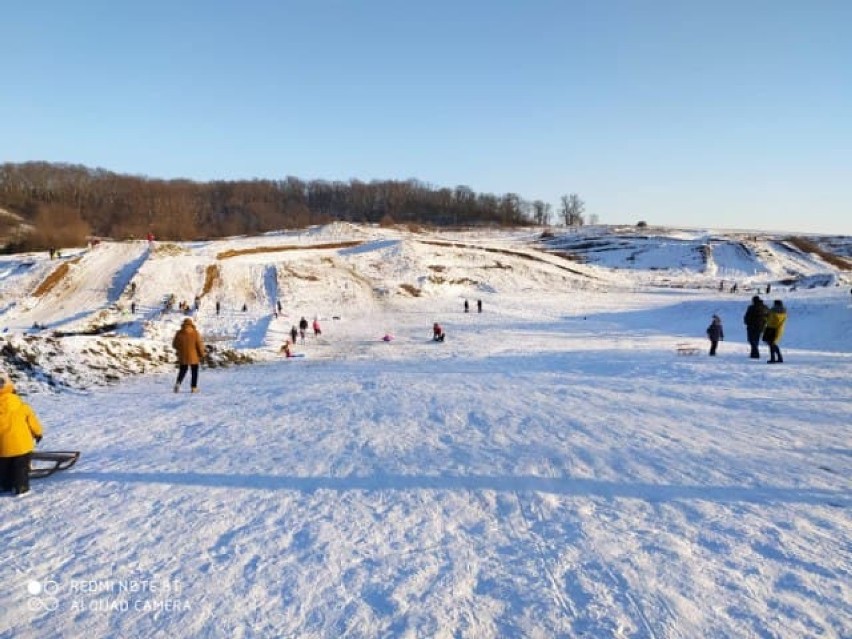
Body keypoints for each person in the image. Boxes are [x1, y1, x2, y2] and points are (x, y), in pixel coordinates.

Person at [0, 374, 44, 496]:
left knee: (3, 468)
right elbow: (32, 421)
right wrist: (38, 433)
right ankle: (21, 487)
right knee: (21, 468)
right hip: (22, 446)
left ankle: (4, 485)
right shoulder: (22, 406)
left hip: (2, 448)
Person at [173, 318, 206, 392]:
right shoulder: (195, 333)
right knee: (194, 372)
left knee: (182, 370)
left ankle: (178, 383)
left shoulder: (179, 333)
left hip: (183, 356)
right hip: (194, 356)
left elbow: (174, 345)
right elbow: (199, 345)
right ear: (191, 324)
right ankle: (193, 387)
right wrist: (201, 354)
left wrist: (180, 349)